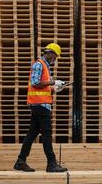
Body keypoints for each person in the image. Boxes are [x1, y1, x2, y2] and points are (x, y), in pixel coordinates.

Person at [13, 43, 68, 172]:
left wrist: (55, 88)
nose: (55, 59)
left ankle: (21, 161)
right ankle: (51, 163)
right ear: (48, 53)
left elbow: (43, 86)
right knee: (47, 134)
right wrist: (53, 82)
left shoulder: (46, 67)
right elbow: (36, 83)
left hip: (41, 105)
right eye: (55, 56)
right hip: (40, 105)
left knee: (32, 134)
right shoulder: (39, 64)